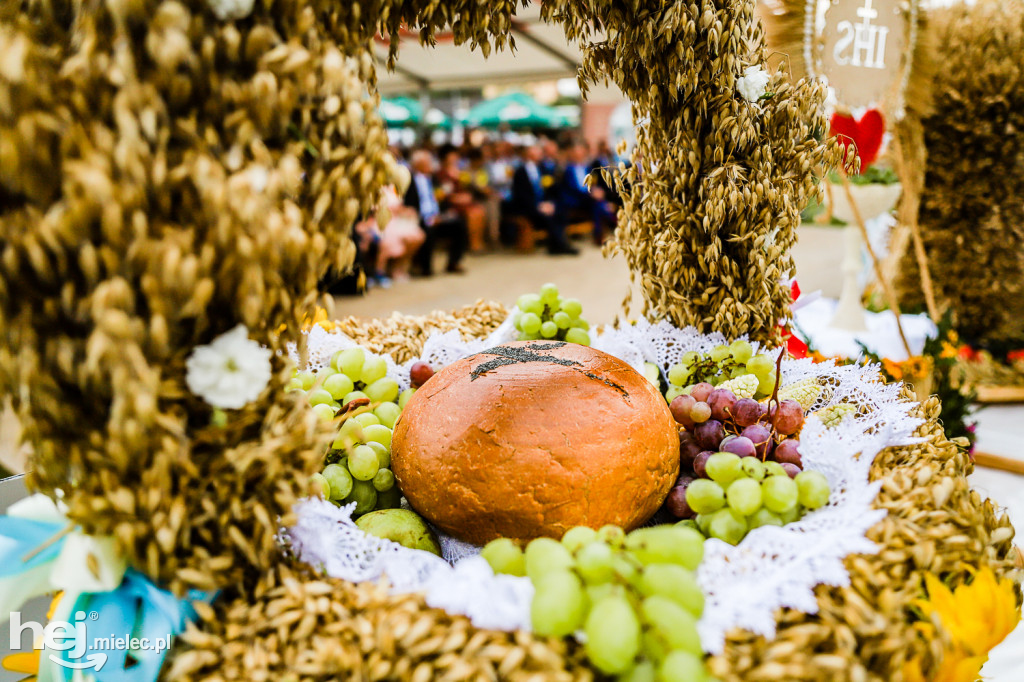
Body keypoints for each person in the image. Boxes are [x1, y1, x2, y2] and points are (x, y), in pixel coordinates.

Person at [404, 150, 469, 275]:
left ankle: (453, 262)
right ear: (418, 164)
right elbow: (409, 203)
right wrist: (428, 217)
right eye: (427, 162)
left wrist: (444, 212)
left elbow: (442, 197)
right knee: (427, 229)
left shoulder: (434, 178)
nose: (431, 164)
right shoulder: (409, 180)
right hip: (420, 217)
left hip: (437, 216)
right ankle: (425, 268)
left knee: (459, 224)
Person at [509, 145, 577, 255]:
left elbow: (549, 188)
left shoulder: (542, 169)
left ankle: (558, 244)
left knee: (560, 211)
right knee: (548, 216)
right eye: (538, 153)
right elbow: (520, 195)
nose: (541, 155)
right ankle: (559, 245)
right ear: (530, 155)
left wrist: (550, 203)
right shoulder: (520, 172)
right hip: (528, 206)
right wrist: (537, 205)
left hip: (544, 203)